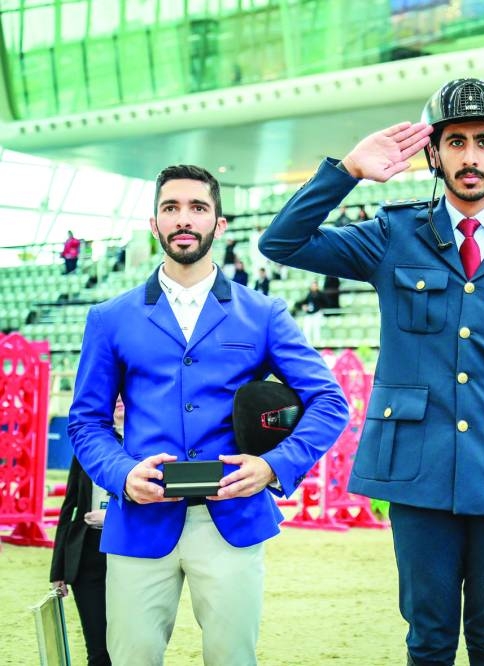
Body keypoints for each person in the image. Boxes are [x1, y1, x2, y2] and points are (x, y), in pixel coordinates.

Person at [258, 78, 484, 666]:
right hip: (417, 468)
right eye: (456, 142)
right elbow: (281, 243)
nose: (470, 157)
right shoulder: (393, 235)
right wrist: (347, 171)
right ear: (434, 154)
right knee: (428, 638)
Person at [67, 164, 349, 665]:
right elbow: (86, 421)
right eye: (171, 207)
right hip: (139, 518)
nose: (184, 218)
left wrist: (272, 466)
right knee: (131, 658)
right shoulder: (110, 318)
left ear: (218, 224)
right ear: (154, 223)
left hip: (234, 518)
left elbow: (330, 402)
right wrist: (122, 473)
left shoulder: (263, 313)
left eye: (197, 207)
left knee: (232, 658)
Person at [51, 397, 124, 666]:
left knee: (130, 648)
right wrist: (58, 569)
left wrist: (113, 518)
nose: (118, 399)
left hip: (131, 553)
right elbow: (69, 507)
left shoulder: (149, 445)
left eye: (123, 393)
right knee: (97, 650)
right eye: (113, 395)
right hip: (87, 556)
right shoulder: (88, 447)